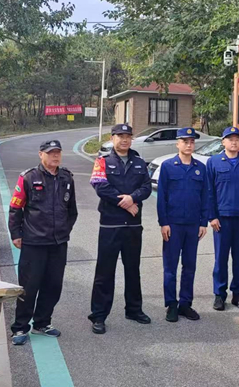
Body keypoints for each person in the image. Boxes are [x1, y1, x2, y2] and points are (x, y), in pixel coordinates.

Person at [8, 139, 77, 345]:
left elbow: (72, 211)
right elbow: (15, 208)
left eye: (58, 152)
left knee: (53, 285)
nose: (55, 156)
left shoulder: (66, 178)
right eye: (50, 153)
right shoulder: (29, 178)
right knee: (29, 286)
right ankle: (20, 327)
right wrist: (16, 234)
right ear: (41, 155)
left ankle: (42, 322)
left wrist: (64, 230)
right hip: (34, 242)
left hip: (58, 243)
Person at [88, 124, 152, 335]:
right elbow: (100, 186)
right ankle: (98, 316)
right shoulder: (103, 161)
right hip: (111, 224)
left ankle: (134, 310)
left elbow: (146, 187)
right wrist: (125, 203)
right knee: (104, 272)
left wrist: (133, 198)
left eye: (128, 136)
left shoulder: (140, 162)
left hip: (133, 225)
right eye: (120, 136)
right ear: (112, 138)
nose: (124, 140)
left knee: (133, 270)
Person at [156, 127, 210, 322]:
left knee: (190, 266)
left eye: (192, 141)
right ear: (177, 144)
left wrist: (203, 222)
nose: (189, 145)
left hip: (193, 225)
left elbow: (205, 196)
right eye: (185, 141)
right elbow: (161, 197)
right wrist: (164, 223)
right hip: (173, 225)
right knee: (170, 267)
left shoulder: (200, 167)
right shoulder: (168, 166)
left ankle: (185, 303)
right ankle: (171, 304)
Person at [206, 126, 239, 311]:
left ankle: (238, 295)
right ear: (223, 142)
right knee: (221, 259)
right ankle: (219, 294)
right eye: (230, 139)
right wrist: (212, 216)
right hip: (222, 219)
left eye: (237, 139)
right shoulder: (213, 162)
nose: (234, 142)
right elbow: (209, 192)